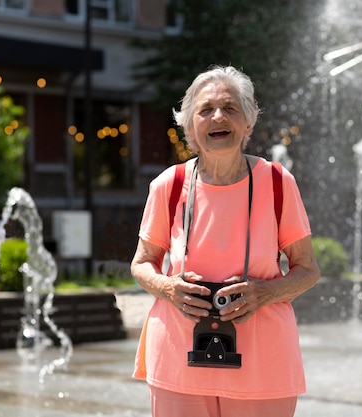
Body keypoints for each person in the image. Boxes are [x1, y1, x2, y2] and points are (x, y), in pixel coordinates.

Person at [130, 65, 320, 417]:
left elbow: (307, 269)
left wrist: (266, 291)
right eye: (206, 110)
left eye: (231, 108)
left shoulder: (277, 182)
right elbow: (141, 263)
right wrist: (169, 287)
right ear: (190, 127)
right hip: (178, 357)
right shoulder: (168, 185)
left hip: (263, 363)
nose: (219, 116)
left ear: (248, 123)